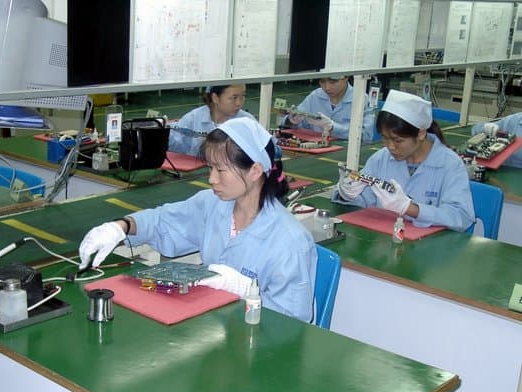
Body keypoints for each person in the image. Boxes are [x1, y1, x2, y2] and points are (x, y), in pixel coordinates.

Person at [79, 117, 318, 323]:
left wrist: (249, 292)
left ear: (255, 171)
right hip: (214, 327)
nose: (212, 179)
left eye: (220, 170)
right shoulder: (213, 205)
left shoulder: (290, 241)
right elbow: (164, 221)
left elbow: (293, 322)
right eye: (210, 168)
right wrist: (121, 227)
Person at [331, 89, 474, 232]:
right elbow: (365, 201)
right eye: (385, 138)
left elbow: (462, 217)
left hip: (429, 244)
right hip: (384, 241)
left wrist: (411, 208)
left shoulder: (450, 164)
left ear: (421, 133)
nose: (390, 147)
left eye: (398, 140)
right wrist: (347, 194)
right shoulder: (381, 158)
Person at [168, 84, 255, 157]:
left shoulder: (247, 122)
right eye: (234, 97)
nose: (239, 103)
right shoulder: (194, 118)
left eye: (243, 96)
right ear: (215, 98)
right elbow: (176, 143)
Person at [283, 76, 376, 143]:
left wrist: (333, 127)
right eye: (322, 81)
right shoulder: (315, 96)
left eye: (333, 82)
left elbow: (366, 135)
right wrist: (291, 121)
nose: (327, 87)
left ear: (346, 77)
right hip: (315, 150)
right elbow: (292, 124)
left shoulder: (361, 99)